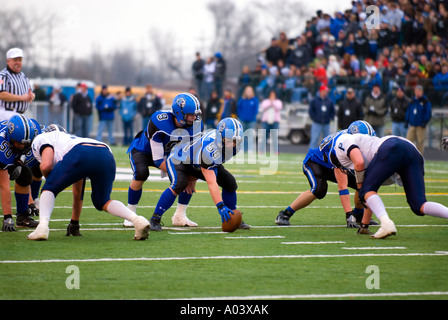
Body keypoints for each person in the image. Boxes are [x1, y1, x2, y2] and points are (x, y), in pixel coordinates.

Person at [27, 127, 150, 241]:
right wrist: (75, 222)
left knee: (48, 189)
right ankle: (137, 219)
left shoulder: (42, 139)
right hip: (105, 153)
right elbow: (78, 188)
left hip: (81, 152)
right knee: (103, 201)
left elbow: (46, 165)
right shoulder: (70, 141)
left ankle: (42, 227)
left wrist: (52, 184)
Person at [332, 132, 448, 239]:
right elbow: (371, 195)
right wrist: (364, 226)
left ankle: (386, 223)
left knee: (365, 190)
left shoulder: (342, 141)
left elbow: (359, 162)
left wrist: (360, 186)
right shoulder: (371, 150)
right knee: (418, 205)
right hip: (411, 150)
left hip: (392, 147)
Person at [148, 117, 249, 231]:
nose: (233, 144)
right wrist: (220, 206)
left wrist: (193, 177)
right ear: (220, 137)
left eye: (236, 140)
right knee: (179, 183)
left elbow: (208, 164)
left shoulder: (233, 147)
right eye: (229, 140)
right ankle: (155, 219)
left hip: (196, 161)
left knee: (230, 183)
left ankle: (231, 215)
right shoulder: (210, 149)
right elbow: (211, 182)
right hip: (179, 158)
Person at [275, 121, 378, 229]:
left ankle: (359, 214)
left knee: (362, 182)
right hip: (316, 163)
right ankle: (285, 214)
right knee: (319, 190)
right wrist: (348, 214)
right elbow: (342, 186)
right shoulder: (341, 146)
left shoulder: (351, 138)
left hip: (332, 163)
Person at [124, 93, 203, 228]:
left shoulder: (195, 126)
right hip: (143, 150)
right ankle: (130, 214)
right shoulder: (160, 122)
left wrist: (189, 175)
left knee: (192, 173)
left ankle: (180, 215)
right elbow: (157, 160)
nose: (194, 118)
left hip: (168, 152)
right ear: (179, 113)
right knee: (141, 174)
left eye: (195, 114)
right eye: (190, 115)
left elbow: (190, 154)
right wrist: (178, 173)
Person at [1, 114, 40, 231]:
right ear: (10, 137)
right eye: (19, 142)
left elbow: (23, 148)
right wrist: (7, 217)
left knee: (25, 175)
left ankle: (23, 217)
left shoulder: (33, 131)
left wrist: (19, 161)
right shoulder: (2, 146)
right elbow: (4, 186)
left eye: (25, 142)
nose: (22, 145)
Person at [0, 48, 35, 121]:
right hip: (6, 113)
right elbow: (1, 94)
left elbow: (30, 93)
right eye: (15, 60)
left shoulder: (24, 76)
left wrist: (31, 96)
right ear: (8, 61)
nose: (18, 62)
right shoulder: (3, 75)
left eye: (20, 60)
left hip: (22, 114)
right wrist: (22, 97)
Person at [405, 85, 432, 155]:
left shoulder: (425, 101)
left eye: (419, 91)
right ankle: (408, 157)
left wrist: (425, 121)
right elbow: (409, 110)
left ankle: (419, 157)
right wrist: (406, 120)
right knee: (408, 141)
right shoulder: (412, 101)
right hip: (412, 124)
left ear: (422, 92)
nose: (417, 93)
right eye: (416, 91)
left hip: (420, 125)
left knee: (420, 142)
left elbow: (428, 112)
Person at [259, 90, 282, 154]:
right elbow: (263, 107)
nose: (272, 96)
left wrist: (273, 103)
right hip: (266, 121)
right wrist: (270, 103)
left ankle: (276, 151)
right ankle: (261, 150)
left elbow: (278, 108)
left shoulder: (278, 102)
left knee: (275, 137)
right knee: (264, 136)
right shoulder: (266, 101)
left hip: (275, 121)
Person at [237, 86, 259, 152]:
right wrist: (240, 116)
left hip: (251, 121)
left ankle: (250, 149)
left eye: (250, 91)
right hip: (242, 120)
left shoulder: (255, 100)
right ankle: (241, 149)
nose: (248, 92)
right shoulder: (242, 99)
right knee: (242, 135)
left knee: (250, 135)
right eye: (247, 91)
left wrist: (251, 117)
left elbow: (255, 110)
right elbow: (238, 108)